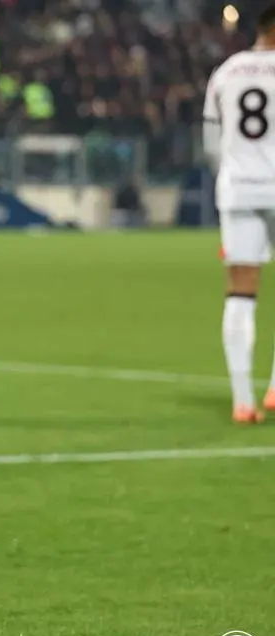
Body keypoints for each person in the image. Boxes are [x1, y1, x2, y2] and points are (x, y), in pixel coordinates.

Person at [203, 2, 275, 423]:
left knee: (241, 291)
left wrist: (230, 174)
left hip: (238, 190)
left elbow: (211, 142)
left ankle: (242, 400)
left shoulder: (226, 72)